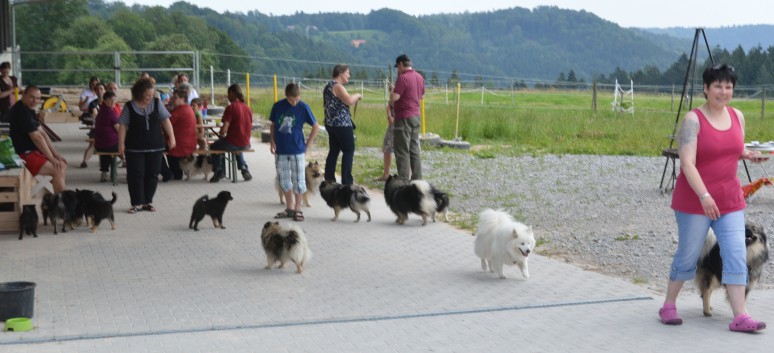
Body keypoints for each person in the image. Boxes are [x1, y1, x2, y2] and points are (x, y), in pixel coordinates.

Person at [660, 64, 768, 332]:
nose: (724, 91)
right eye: (718, 86)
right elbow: (687, 163)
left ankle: (740, 316)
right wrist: (704, 196)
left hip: (729, 200)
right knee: (688, 256)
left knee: (734, 255)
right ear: (706, 89)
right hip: (695, 200)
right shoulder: (693, 120)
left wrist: (750, 155)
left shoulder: (737, 116)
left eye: (728, 86)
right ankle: (668, 305)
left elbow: (734, 148)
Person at [118, 77, 175, 214]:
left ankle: (147, 202)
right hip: (134, 148)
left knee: (152, 174)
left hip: (155, 146)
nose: (150, 97)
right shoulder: (129, 106)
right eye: (147, 95)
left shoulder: (157, 103)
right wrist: (121, 144)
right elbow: (123, 126)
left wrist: (172, 137)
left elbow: (166, 121)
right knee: (135, 174)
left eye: (152, 94)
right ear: (139, 93)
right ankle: (137, 202)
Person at [270, 83, 320, 222]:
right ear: (286, 96)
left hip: (297, 150)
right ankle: (290, 208)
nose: (294, 102)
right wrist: (272, 141)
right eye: (292, 100)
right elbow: (273, 125)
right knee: (284, 180)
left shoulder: (303, 107)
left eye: (297, 99)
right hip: (281, 150)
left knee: (299, 180)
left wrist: (307, 145)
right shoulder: (278, 106)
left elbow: (315, 126)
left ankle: (298, 209)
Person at [8, 85, 68, 192]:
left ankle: (53, 201)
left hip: (31, 152)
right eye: (32, 97)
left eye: (38, 98)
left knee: (62, 165)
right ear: (24, 95)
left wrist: (55, 154)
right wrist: (52, 159)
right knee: (58, 169)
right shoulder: (21, 111)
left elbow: (43, 134)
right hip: (22, 155)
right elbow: (37, 138)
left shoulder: (28, 109)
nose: (35, 101)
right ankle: (60, 204)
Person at [323, 64, 362, 185]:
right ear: (340, 73)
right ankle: (347, 181)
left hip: (331, 123)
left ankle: (329, 178)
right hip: (342, 124)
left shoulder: (328, 86)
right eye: (347, 73)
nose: (349, 75)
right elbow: (349, 101)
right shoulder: (338, 86)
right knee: (349, 150)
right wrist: (358, 95)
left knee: (334, 150)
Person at [391, 54, 425, 181]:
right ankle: (417, 179)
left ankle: (404, 180)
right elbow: (422, 97)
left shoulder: (403, 78)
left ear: (400, 64)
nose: (397, 70)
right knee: (414, 149)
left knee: (402, 150)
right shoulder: (420, 77)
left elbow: (395, 98)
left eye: (397, 67)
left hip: (403, 117)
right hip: (416, 116)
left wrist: (392, 94)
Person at [209, 83, 253, 183]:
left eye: (228, 94)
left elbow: (224, 129)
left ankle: (218, 171)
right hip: (246, 143)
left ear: (232, 93)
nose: (227, 96)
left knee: (214, 147)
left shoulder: (231, 108)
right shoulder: (247, 108)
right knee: (237, 145)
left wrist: (220, 134)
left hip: (233, 143)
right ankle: (244, 169)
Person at [162, 88, 197, 180]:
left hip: (179, 145)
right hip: (189, 144)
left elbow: (166, 125)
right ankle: (174, 172)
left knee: (154, 148)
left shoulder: (179, 111)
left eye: (175, 98)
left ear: (183, 99)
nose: (172, 100)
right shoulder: (189, 109)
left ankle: (167, 173)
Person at [93, 91, 120, 182]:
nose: (113, 102)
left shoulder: (101, 112)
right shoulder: (111, 113)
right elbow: (119, 130)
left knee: (107, 149)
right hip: (111, 145)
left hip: (98, 145)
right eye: (110, 100)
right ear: (104, 101)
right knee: (128, 146)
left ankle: (104, 174)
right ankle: (126, 163)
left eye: (114, 100)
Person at [80, 83, 106, 168]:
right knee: (92, 143)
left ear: (105, 90)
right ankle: (84, 161)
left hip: (108, 128)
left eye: (101, 89)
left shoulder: (109, 101)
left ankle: (123, 159)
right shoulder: (93, 103)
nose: (99, 91)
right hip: (97, 128)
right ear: (95, 91)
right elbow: (95, 115)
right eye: (97, 89)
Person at [377, 82, 395, 181]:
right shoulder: (393, 95)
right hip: (392, 125)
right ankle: (386, 174)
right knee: (387, 148)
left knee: (405, 150)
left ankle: (407, 176)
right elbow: (389, 106)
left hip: (403, 123)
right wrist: (389, 116)